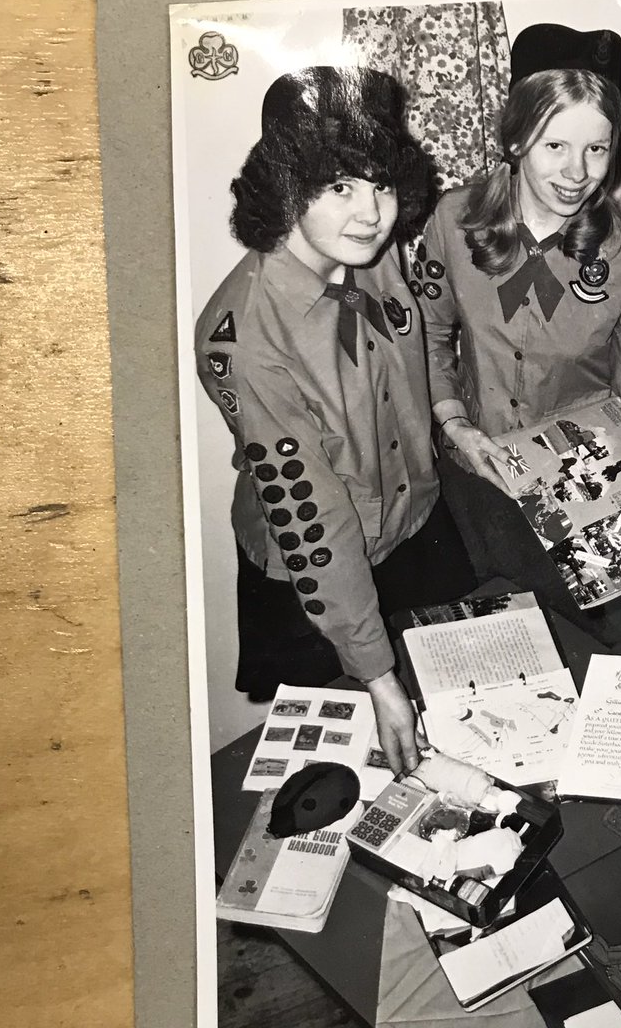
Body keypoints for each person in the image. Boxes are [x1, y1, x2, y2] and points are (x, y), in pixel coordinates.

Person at [194, 66, 476, 775]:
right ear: (286, 188)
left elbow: (420, 351)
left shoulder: (371, 253)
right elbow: (312, 518)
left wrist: (453, 423)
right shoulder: (244, 339)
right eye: (339, 186)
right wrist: (377, 675)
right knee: (342, 775)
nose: (370, 213)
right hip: (317, 575)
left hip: (414, 528)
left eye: (381, 184)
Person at [416, 22, 621, 488]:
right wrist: (456, 426)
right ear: (516, 140)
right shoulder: (454, 220)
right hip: (472, 461)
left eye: (596, 149)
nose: (577, 172)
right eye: (555, 146)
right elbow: (426, 337)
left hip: (582, 484)